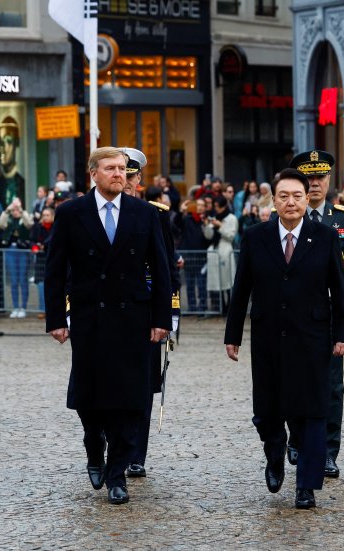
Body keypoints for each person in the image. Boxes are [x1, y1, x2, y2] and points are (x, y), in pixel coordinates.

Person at [44, 146, 171, 505]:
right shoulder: (71, 213)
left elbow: (160, 270)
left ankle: (118, 473)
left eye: (122, 169)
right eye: (111, 168)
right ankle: (92, 442)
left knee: (129, 398)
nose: (119, 173)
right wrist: (56, 318)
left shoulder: (144, 213)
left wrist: (162, 319)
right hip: (88, 316)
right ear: (93, 174)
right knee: (88, 393)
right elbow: (54, 269)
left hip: (132, 316)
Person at [224, 168, 344, 510]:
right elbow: (241, 290)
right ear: (273, 200)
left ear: (306, 197)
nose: (291, 202)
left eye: (298, 195)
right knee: (267, 412)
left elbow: (339, 289)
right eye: (284, 196)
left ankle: (306, 487)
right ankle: (275, 455)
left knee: (312, 412)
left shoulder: (324, 236)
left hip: (312, 338)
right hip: (267, 337)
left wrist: (343, 333)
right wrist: (232, 334)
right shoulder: (255, 237)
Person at [288, 149, 344, 479]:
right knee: (294, 380)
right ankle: (296, 440)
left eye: (320, 177)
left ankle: (327, 452)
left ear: (329, 179)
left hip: (335, 312)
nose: (315, 184)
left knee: (333, 386)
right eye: (308, 178)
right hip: (296, 313)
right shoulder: (289, 216)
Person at [119, 147, 182, 478]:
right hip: (112, 310)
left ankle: (136, 454)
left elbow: (167, 268)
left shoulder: (156, 214)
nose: (126, 183)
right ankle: (110, 444)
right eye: (121, 175)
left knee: (143, 385)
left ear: (139, 179)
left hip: (146, 311)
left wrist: (170, 313)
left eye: (131, 177)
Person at [0, 198, 33, 318]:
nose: (15, 211)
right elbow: (0, 224)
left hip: (23, 251)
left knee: (23, 279)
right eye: (14, 209)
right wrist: (8, 210)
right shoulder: (9, 219)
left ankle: (23, 307)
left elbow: (29, 224)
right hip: (10, 250)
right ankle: (15, 307)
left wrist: (21, 210)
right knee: (13, 280)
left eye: (16, 209)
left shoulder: (24, 217)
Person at [203, 195, 238, 314]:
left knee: (227, 280)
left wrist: (220, 226)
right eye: (215, 206)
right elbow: (208, 236)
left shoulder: (232, 218)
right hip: (214, 251)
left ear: (223, 206)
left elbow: (231, 236)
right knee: (216, 281)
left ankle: (229, 306)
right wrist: (207, 225)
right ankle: (220, 306)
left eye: (218, 206)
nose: (216, 209)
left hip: (225, 251)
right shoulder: (214, 217)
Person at [179, 198, 209, 313]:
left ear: (205, 207)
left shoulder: (206, 220)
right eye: (198, 205)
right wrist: (182, 211)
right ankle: (192, 307)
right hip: (189, 256)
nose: (200, 207)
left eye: (202, 205)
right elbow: (176, 224)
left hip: (202, 257)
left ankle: (202, 306)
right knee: (190, 284)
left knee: (201, 284)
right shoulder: (187, 219)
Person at [29, 206, 54, 319]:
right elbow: (32, 240)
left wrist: (45, 245)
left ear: (52, 216)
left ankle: (54, 311)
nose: (45, 217)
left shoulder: (56, 227)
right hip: (40, 260)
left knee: (54, 286)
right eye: (43, 215)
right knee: (40, 286)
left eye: (47, 215)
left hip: (53, 260)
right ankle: (43, 310)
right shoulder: (37, 227)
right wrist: (35, 247)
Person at [0, 116, 25, 206]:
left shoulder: (21, 183)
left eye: (8, 141)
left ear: (16, 143)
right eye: (0, 142)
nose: (3, 148)